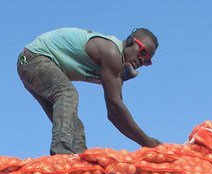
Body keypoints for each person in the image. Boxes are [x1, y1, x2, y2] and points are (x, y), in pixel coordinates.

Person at [17, 27, 161, 155]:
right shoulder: (111, 53)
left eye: (147, 60)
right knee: (67, 94)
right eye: (142, 52)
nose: (142, 60)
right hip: (33, 59)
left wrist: (119, 78)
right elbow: (114, 109)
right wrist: (147, 142)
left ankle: (79, 162)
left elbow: (114, 114)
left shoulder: (115, 66)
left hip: (29, 64)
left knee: (75, 128)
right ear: (130, 41)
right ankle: (61, 153)